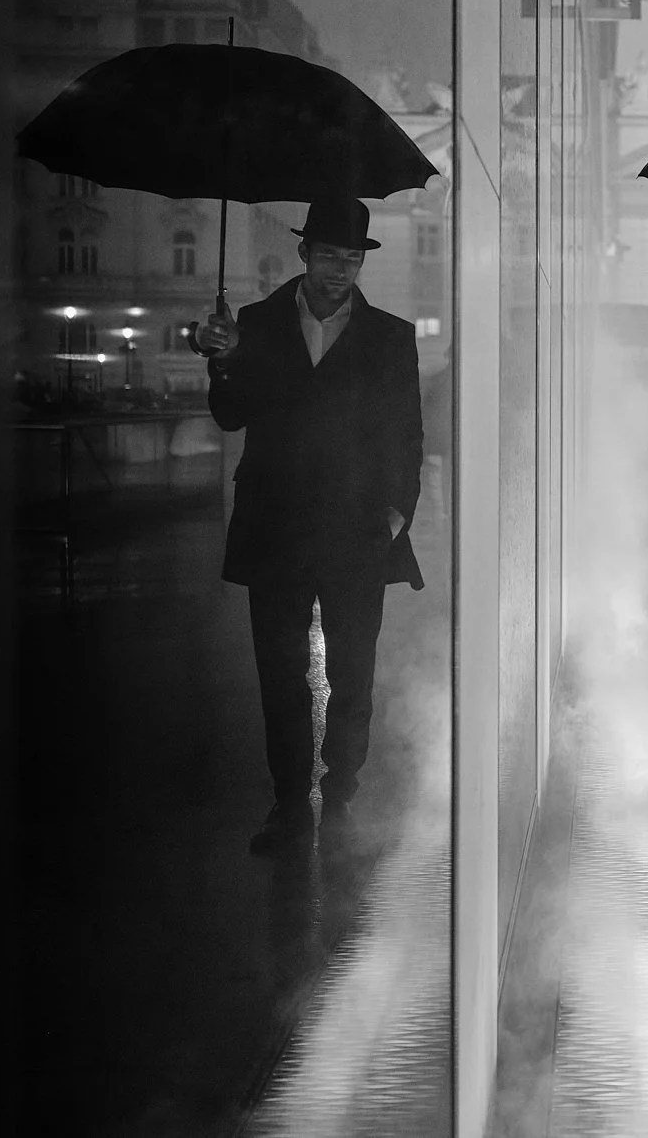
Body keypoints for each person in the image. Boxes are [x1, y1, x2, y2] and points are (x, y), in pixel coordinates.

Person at [197, 197, 424, 856]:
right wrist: (223, 358)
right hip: (277, 525)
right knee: (280, 670)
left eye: (352, 258)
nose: (340, 270)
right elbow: (230, 414)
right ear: (304, 253)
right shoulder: (256, 323)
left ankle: (343, 792)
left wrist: (395, 511)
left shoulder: (389, 336)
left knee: (354, 672)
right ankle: (290, 802)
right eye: (330, 255)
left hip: (358, 528)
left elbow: (406, 434)